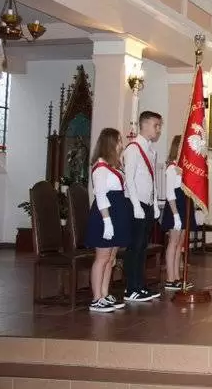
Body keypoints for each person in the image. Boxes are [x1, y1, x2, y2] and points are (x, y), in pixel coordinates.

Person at [85, 128, 131, 312]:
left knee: (111, 257)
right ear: (110, 143)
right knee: (102, 257)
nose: (121, 144)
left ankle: (104, 294)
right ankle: (96, 298)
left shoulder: (113, 166)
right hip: (105, 216)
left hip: (116, 214)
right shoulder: (100, 167)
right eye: (119, 141)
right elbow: (101, 195)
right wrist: (107, 221)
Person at [123, 110, 163, 302]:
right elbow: (129, 179)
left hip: (146, 203)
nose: (158, 129)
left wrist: (154, 203)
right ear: (144, 125)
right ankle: (131, 288)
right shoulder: (133, 148)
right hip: (135, 202)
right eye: (156, 125)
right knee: (135, 246)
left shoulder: (150, 150)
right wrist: (135, 205)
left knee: (142, 246)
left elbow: (152, 180)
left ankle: (140, 285)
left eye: (159, 126)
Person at [162, 135, 193, 291]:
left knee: (180, 243)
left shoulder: (182, 168)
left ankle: (177, 277)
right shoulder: (171, 168)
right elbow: (170, 194)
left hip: (183, 205)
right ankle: (170, 278)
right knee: (173, 242)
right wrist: (175, 215)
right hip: (175, 207)